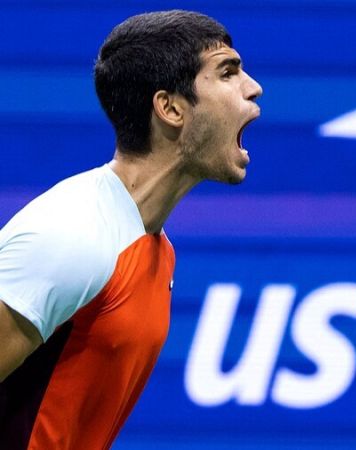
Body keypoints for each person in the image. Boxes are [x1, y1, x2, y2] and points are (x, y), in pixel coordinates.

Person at [0, 10, 262, 449]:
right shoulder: (72, 235)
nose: (252, 87)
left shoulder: (156, 249)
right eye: (228, 72)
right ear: (171, 108)